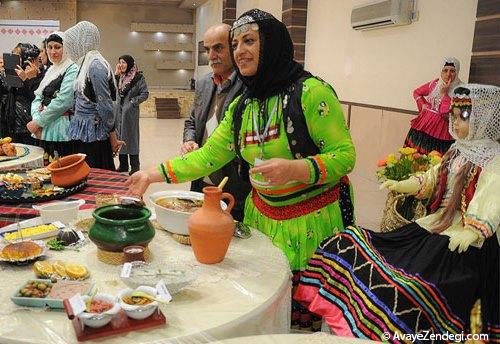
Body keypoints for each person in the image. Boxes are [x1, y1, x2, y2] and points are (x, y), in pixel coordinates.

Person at [127, 9, 356, 330]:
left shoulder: (312, 93)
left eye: (249, 41)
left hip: (310, 225)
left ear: (273, 44)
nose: (239, 51)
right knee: (269, 308)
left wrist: (297, 169)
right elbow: (207, 158)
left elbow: (344, 156)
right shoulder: (244, 106)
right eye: (235, 43)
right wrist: (152, 174)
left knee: (304, 322)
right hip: (262, 217)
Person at [295, 84, 499, 341]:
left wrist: (474, 230)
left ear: (484, 118)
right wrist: (407, 184)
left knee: (411, 289)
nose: (455, 124)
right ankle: (361, 323)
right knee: (351, 242)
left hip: (466, 246)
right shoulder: (457, 150)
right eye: (454, 117)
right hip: (436, 227)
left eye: (463, 118)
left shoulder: (494, 159)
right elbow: (432, 178)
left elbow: (493, 199)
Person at [181, 23, 250, 222]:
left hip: (233, 186)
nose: (211, 56)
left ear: (234, 47)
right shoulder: (203, 83)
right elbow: (192, 122)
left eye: (218, 48)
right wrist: (189, 141)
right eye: (207, 49)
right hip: (201, 181)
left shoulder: (248, 86)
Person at [63, 21, 123, 169]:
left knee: (95, 179)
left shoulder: (95, 66)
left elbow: (106, 106)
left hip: (94, 137)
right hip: (84, 133)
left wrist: (113, 138)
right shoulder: (86, 63)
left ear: (82, 41)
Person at [27, 32, 77, 165]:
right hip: (43, 128)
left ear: (65, 48)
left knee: (60, 170)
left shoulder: (72, 69)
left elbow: (64, 101)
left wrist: (38, 122)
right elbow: (38, 96)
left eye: (57, 47)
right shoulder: (51, 70)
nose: (52, 51)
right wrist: (36, 119)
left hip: (60, 130)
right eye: (49, 47)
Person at [404, 57, 462, 155]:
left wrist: (444, 94)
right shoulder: (434, 84)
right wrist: (423, 105)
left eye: (452, 71)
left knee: (434, 160)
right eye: (445, 70)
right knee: (413, 157)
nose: (448, 74)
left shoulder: (461, 90)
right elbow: (417, 93)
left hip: (442, 132)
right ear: (441, 71)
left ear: (457, 72)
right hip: (423, 127)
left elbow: (447, 113)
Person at [0, 43, 42, 144]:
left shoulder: (40, 77)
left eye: (17, 57)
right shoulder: (8, 76)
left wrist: (27, 79)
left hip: (28, 128)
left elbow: (37, 98)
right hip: (10, 125)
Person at [114, 54, 149, 175]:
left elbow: (145, 93)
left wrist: (133, 102)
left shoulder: (138, 78)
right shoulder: (119, 77)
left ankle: (135, 166)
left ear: (129, 64)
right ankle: (123, 165)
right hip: (119, 113)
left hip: (131, 113)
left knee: (132, 138)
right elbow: (112, 90)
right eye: (120, 62)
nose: (121, 65)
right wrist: (116, 74)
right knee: (120, 137)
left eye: (124, 62)